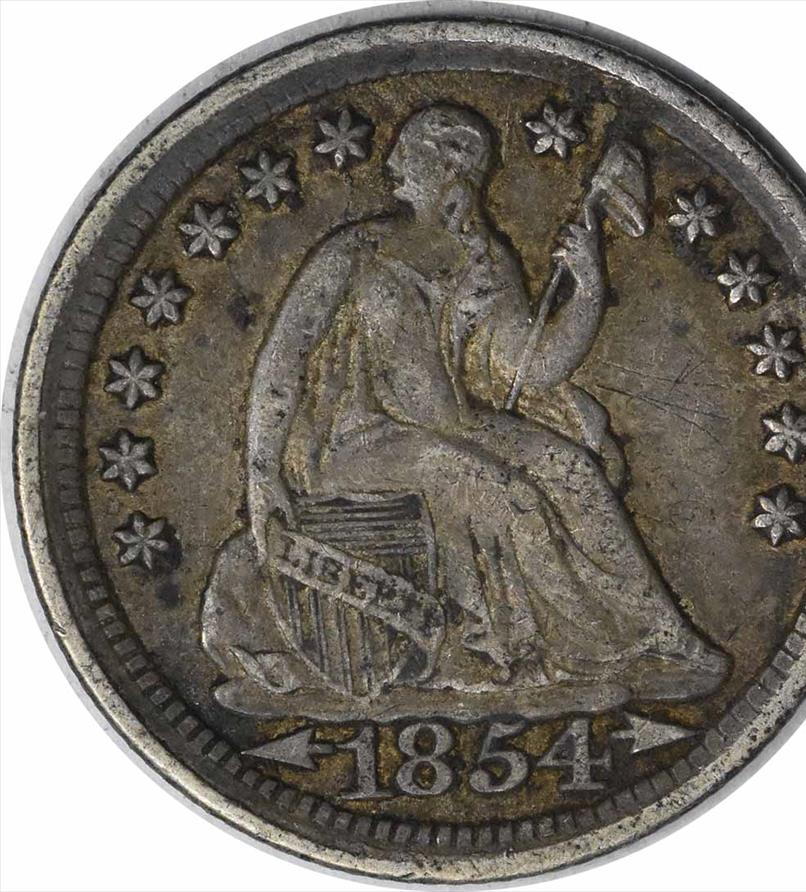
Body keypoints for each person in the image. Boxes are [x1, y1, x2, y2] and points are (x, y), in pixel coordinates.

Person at [202, 104, 728, 707]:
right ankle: (566, 653)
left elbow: (532, 367)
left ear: (451, 167)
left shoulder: (485, 262)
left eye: (411, 152)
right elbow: (282, 360)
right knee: (500, 491)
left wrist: (588, 286)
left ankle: (659, 639)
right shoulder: (358, 250)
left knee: (571, 469)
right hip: (355, 444)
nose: (394, 161)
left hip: (455, 427)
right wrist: (261, 475)